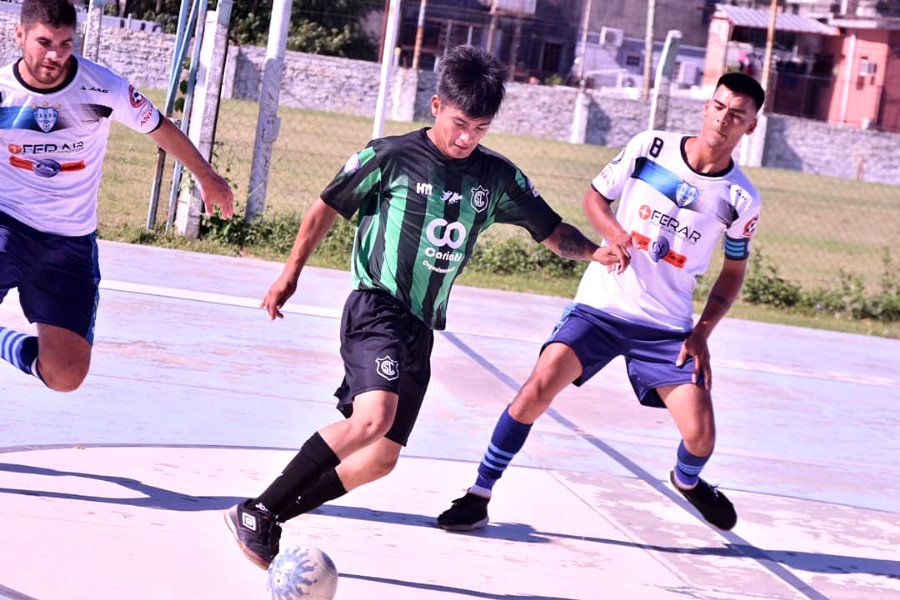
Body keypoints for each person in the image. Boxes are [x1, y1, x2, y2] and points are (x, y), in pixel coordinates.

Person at [224, 45, 631, 570]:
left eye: (480, 129)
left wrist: (596, 251)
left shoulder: (495, 178)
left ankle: (272, 516)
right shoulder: (390, 155)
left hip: (422, 327)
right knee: (374, 419)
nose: (467, 138)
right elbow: (325, 206)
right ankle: (258, 510)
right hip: (377, 306)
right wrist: (290, 272)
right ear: (436, 105)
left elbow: (551, 231)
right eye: (460, 123)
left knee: (380, 460)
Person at [437, 72, 765, 533]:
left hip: (667, 328)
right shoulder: (651, 148)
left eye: (737, 114)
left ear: (751, 127)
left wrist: (702, 332)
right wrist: (613, 234)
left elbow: (733, 271)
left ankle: (688, 482)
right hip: (602, 306)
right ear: (705, 106)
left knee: (701, 436)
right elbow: (595, 197)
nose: (723, 119)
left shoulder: (741, 198)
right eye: (718, 106)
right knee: (538, 387)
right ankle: (479, 493)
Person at [0, 0, 234, 392]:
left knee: (66, 376)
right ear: (19, 35)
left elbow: (160, 127)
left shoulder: (102, 86)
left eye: (65, 43)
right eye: (44, 42)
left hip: (69, 242)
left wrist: (207, 177)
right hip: (7, 222)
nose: (55, 54)